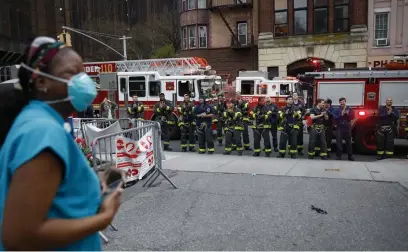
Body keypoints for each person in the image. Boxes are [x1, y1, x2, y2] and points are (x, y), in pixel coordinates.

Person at [0, 37, 122, 250]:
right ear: (41, 82)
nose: (83, 81)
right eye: (71, 73)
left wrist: (96, 182)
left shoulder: (43, 123)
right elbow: (19, 236)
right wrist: (104, 218)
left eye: (83, 73)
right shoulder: (42, 132)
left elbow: (54, 195)